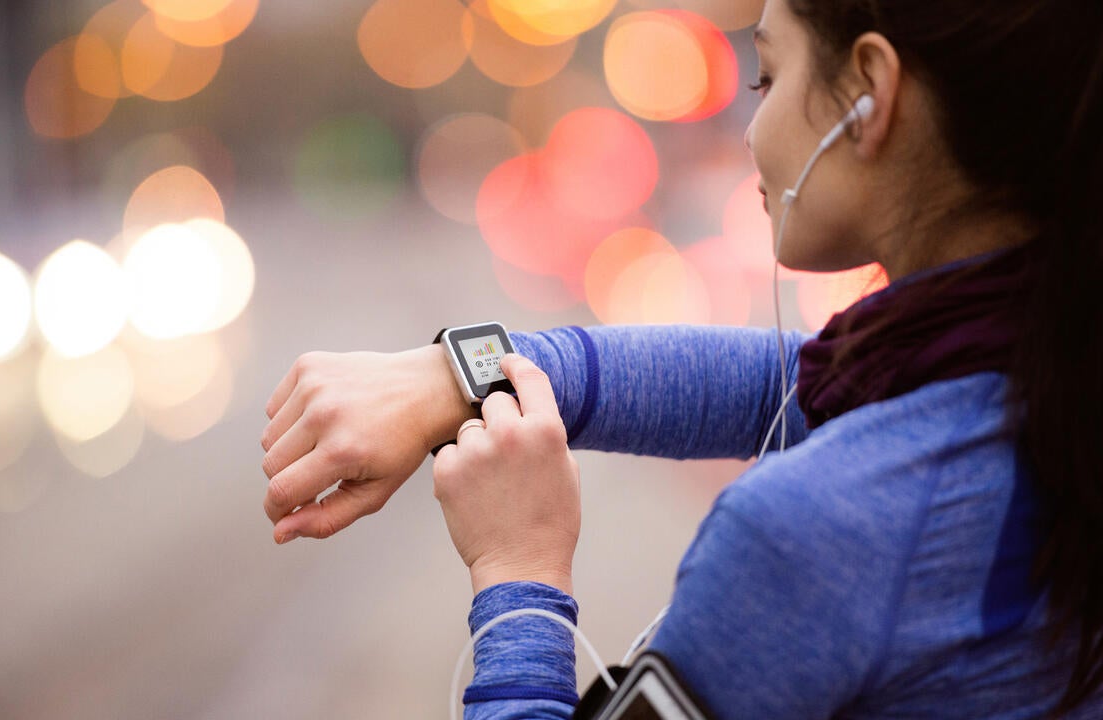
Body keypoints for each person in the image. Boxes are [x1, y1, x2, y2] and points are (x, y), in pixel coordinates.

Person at [259, 0, 1103, 716]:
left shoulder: (809, 535)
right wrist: (460, 374)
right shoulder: (1036, 360)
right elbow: (784, 381)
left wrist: (518, 573)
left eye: (767, 79)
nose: (751, 129)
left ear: (870, 96)